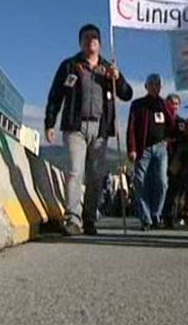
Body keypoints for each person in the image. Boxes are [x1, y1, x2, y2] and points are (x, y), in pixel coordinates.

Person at [44, 23, 133, 236]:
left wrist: (117, 78)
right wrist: (49, 122)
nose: (90, 40)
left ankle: (90, 218)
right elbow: (55, 95)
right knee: (75, 172)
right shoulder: (70, 66)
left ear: (100, 44)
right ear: (80, 42)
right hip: (75, 127)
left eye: (94, 37)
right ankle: (72, 218)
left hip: (101, 129)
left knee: (95, 176)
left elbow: (127, 94)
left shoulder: (108, 69)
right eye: (86, 37)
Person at [126, 74, 174, 231]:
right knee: (140, 181)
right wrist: (132, 148)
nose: (155, 86)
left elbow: (172, 125)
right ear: (146, 86)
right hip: (143, 148)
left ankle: (155, 214)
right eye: (151, 84)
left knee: (161, 182)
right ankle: (145, 218)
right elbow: (131, 128)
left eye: (157, 84)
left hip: (160, 147)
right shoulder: (138, 105)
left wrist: (165, 107)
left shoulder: (164, 105)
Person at [162, 93, 188, 228]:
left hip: (177, 159)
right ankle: (162, 215)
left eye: (176, 104)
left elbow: (186, 140)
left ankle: (174, 215)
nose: (174, 106)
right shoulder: (161, 120)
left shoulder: (182, 122)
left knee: (176, 189)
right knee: (163, 187)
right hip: (163, 157)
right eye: (171, 103)